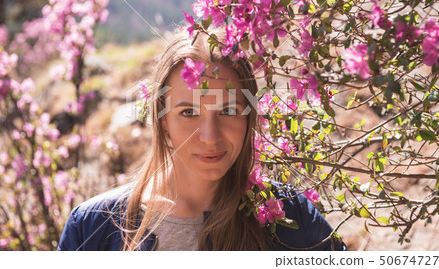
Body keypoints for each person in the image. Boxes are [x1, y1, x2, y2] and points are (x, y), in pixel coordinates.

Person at [57, 31, 346, 251]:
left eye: (229, 111)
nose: (210, 136)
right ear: (162, 120)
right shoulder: (92, 226)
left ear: (249, 118)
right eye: (189, 113)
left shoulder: (289, 216)